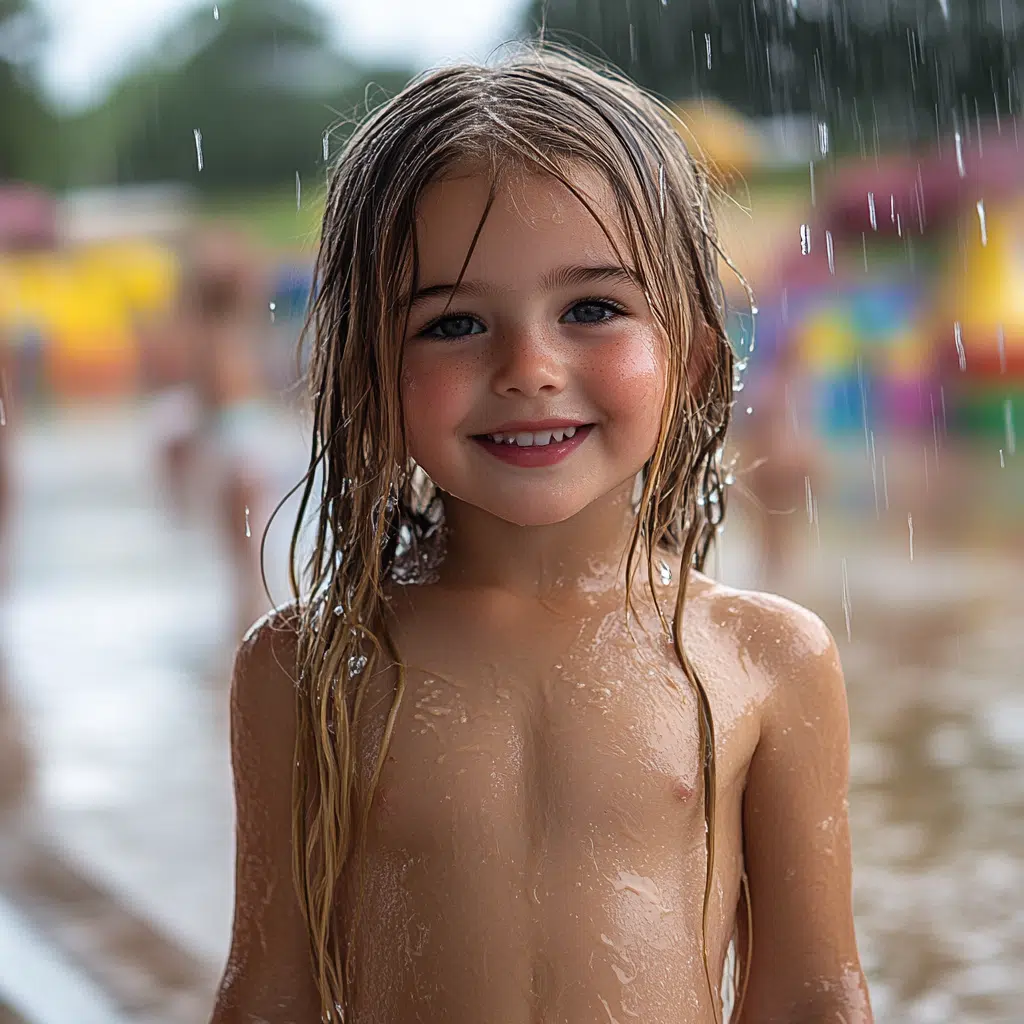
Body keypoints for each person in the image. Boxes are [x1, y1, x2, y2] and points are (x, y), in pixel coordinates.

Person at [211, 48, 871, 1024]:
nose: (529, 366)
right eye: (452, 324)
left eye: (592, 309)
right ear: (364, 370)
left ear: (691, 355)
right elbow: (269, 996)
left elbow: (812, 997)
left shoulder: (765, 659)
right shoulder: (307, 671)